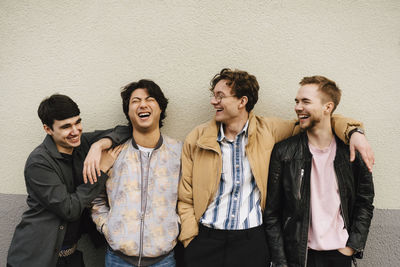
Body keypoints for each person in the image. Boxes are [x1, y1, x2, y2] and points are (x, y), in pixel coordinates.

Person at [177, 69, 374, 267]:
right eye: (214, 96)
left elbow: (320, 122)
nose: (213, 101)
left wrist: (354, 131)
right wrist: (190, 240)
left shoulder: (270, 130)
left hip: (251, 243)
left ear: (242, 101)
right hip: (205, 241)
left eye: (220, 96)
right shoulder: (198, 138)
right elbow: (185, 196)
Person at [264, 76, 374, 267]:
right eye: (297, 101)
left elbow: (365, 202)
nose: (298, 107)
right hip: (299, 257)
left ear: (327, 107)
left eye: (306, 101)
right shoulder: (284, 152)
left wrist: (352, 247)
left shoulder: (352, 150)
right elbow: (273, 212)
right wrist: (281, 262)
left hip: (339, 255)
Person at [7, 94, 123, 267]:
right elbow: (69, 209)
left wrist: (99, 145)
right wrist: (100, 170)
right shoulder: (38, 163)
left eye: (77, 122)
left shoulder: (82, 143)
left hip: (71, 255)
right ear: (48, 129)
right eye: (66, 126)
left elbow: (126, 130)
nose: (75, 131)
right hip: (34, 258)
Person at [90, 80, 182, 267]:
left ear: (160, 108)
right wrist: (107, 227)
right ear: (128, 111)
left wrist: (176, 226)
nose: (142, 104)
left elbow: (190, 198)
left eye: (150, 99)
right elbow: (95, 197)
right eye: (135, 101)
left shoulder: (179, 152)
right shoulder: (113, 153)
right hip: (118, 259)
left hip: (164, 259)